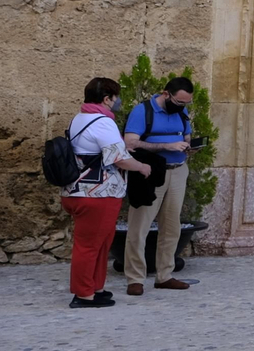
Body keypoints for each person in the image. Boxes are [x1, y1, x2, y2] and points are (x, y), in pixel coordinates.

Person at [62, 78, 151, 308]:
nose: (117, 101)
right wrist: (141, 166)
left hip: (79, 191)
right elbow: (119, 160)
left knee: (101, 243)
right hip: (97, 194)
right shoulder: (102, 121)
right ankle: (84, 295)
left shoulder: (80, 118)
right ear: (106, 99)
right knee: (89, 245)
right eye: (115, 97)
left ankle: (96, 288)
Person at [121, 76, 197, 295]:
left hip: (178, 171)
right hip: (150, 173)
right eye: (179, 102)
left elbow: (186, 136)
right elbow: (130, 142)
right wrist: (167, 145)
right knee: (139, 226)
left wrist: (188, 147)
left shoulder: (181, 112)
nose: (182, 107)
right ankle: (135, 278)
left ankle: (165, 275)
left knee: (172, 227)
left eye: (186, 104)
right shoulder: (142, 111)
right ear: (166, 94)